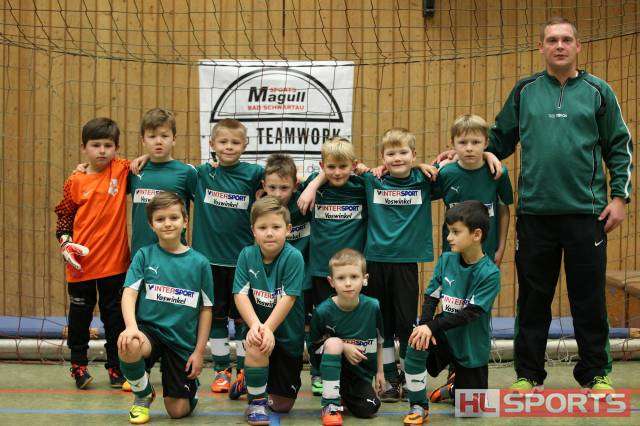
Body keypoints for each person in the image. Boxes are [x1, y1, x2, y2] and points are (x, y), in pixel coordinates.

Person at [486, 17, 633, 395]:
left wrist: (620, 198)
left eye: (567, 39)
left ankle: (595, 374)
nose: (560, 45)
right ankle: (528, 375)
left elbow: (619, 147)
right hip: (534, 215)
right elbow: (498, 141)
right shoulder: (525, 91)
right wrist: (467, 155)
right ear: (541, 47)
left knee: (589, 300)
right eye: (552, 40)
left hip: (587, 214)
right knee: (533, 301)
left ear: (578, 46)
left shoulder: (599, 91)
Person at [117, 192, 214, 424]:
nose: (167, 223)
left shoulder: (200, 263)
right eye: (160, 219)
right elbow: (129, 293)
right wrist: (131, 327)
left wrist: (199, 352)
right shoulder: (144, 255)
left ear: (185, 221)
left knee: (177, 412)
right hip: (150, 332)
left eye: (174, 217)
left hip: (181, 340)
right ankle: (143, 395)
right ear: (151, 225)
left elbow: (206, 310)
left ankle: (190, 389)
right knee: (128, 343)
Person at [402, 201, 500, 425]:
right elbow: (431, 297)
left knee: (470, 411)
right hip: (445, 334)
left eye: (455, 232)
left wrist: (432, 326)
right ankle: (418, 405)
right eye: (449, 231)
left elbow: (470, 314)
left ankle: (455, 385)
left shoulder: (490, 273)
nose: (449, 237)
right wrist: (425, 325)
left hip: (470, 344)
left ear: (476, 235)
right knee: (416, 340)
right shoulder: (447, 259)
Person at [360, 128, 438, 402]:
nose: (397, 158)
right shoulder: (372, 180)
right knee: (383, 324)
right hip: (375, 262)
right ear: (382, 157)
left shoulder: (424, 179)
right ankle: (390, 378)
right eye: (390, 153)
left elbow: (453, 163)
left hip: (405, 263)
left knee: (406, 324)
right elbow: (348, 168)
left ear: (413, 155)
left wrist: (420, 166)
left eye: (403, 152)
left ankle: (408, 374)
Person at [54, 117, 130, 390]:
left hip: (115, 264)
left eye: (108, 145)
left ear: (116, 148)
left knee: (115, 319)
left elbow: (148, 164)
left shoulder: (122, 170)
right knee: (79, 318)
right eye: (95, 145)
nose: (102, 151)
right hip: (81, 265)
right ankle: (78, 366)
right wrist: (65, 243)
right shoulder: (74, 180)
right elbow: (64, 216)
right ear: (84, 148)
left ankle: (116, 367)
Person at [191, 118, 264, 394]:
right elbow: (167, 168)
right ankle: (221, 369)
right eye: (223, 142)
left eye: (235, 142)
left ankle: (245, 369)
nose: (229, 147)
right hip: (209, 263)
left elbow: (285, 178)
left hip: (243, 264)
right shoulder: (201, 174)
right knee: (216, 318)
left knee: (244, 320)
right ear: (212, 144)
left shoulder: (254, 174)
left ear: (245, 145)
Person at [297, 137, 369, 395]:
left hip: (351, 274)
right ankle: (318, 372)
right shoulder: (314, 187)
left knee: (352, 324)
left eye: (343, 166)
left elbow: (385, 177)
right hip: (321, 271)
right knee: (320, 325)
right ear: (322, 166)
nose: (337, 172)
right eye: (331, 167)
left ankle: (354, 373)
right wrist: (313, 184)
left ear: (353, 165)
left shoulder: (362, 186)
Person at [233, 196, 306, 425]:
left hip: (287, 336)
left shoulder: (294, 257)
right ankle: (256, 402)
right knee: (256, 340)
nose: (269, 233)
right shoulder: (247, 255)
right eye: (262, 228)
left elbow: (288, 297)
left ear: (288, 229)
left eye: (276, 227)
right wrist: (257, 326)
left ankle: (252, 380)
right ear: (253, 231)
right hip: (262, 330)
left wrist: (269, 328)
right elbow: (240, 294)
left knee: (282, 405)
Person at [261, 154, 316, 397]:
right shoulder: (261, 207)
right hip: (269, 283)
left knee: (305, 328)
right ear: (263, 185)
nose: (277, 193)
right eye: (272, 187)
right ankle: (250, 373)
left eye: (284, 188)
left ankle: (316, 373)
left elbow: (327, 173)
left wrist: (311, 185)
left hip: (302, 281)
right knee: (265, 328)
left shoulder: (304, 202)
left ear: (295, 186)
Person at [309, 248, 384, 426]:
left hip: (361, 374)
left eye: (354, 277)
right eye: (341, 278)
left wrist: (380, 372)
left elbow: (380, 340)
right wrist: (344, 347)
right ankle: (330, 405)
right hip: (332, 367)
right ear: (331, 282)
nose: (348, 283)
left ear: (365, 279)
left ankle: (343, 394)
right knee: (334, 343)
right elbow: (313, 348)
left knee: (370, 408)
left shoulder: (373, 307)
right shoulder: (323, 312)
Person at [437, 114, 513, 265]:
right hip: (452, 256)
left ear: (486, 143)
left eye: (476, 142)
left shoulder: (498, 172)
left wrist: (500, 248)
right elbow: (413, 183)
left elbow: (504, 211)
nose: (469, 148)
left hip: (486, 254)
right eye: (462, 142)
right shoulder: (445, 173)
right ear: (453, 144)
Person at [128, 108, 197, 256]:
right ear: (143, 140)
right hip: (140, 256)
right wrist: (85, 167)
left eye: (164, 136)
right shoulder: (133, 171)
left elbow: (206, 208)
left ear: (174, 139)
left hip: (175, 256)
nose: (158, 141)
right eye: (152, 136)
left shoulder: (186, 172)